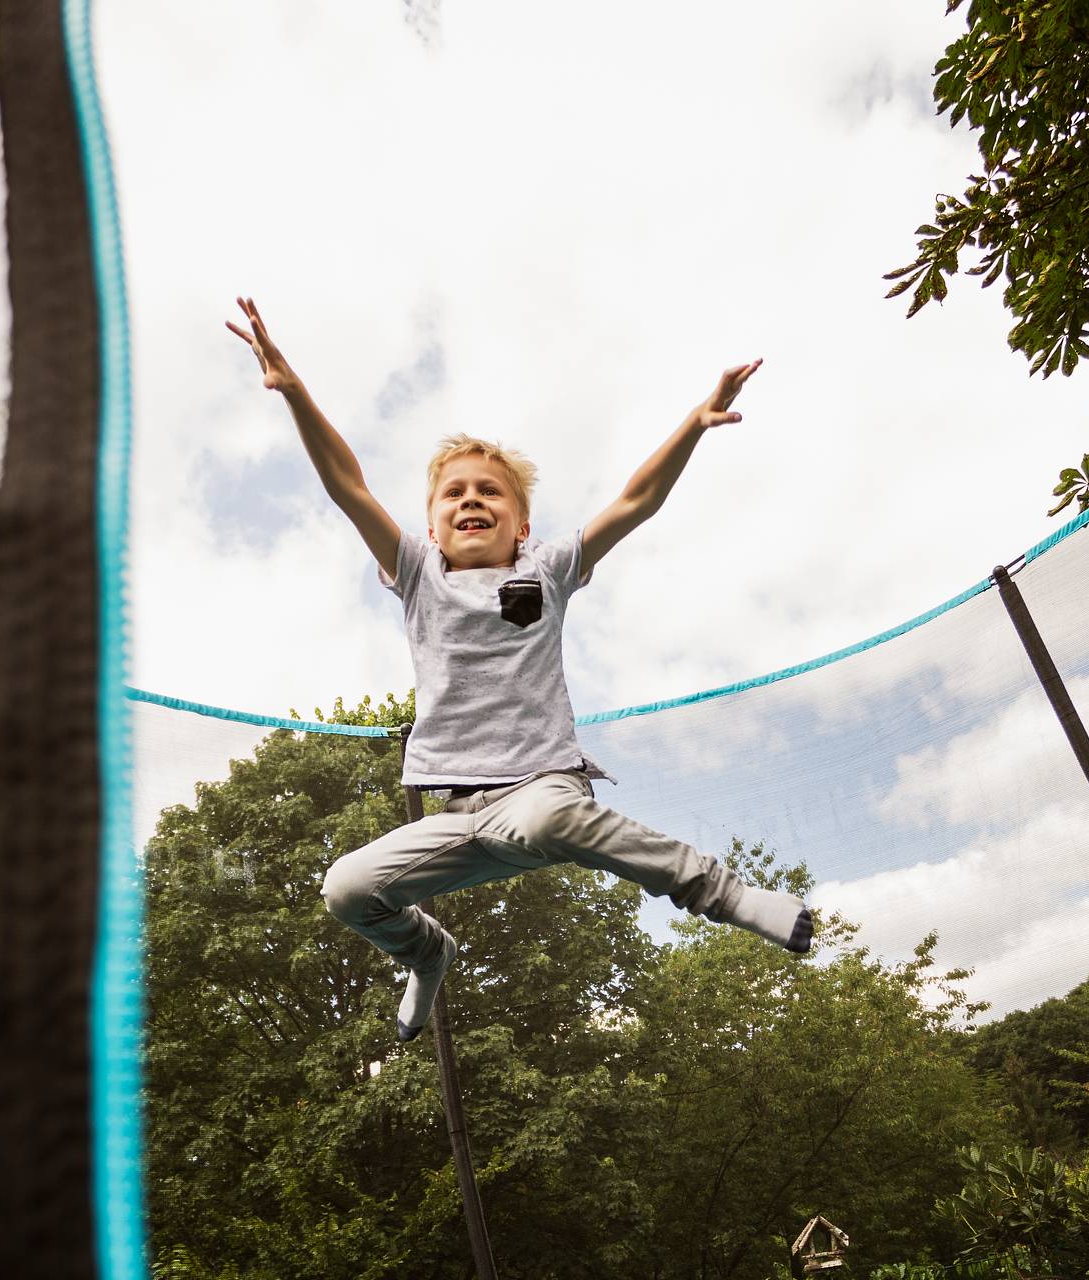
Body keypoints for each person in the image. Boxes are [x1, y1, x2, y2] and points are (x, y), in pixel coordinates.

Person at [226, 296, 815, 1041]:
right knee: (345, 888)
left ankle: (722, 893)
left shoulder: (550, 568)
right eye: (454, 493)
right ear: (434, 521)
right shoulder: (414, 570)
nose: (471, 498)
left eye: (490, 491)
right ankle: (428, 952)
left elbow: (636, 499)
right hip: (459, 818)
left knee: (545, 812)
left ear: (521, 523)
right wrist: (297, 394)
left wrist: (694, 423)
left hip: (540, 791)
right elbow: (347, 484)